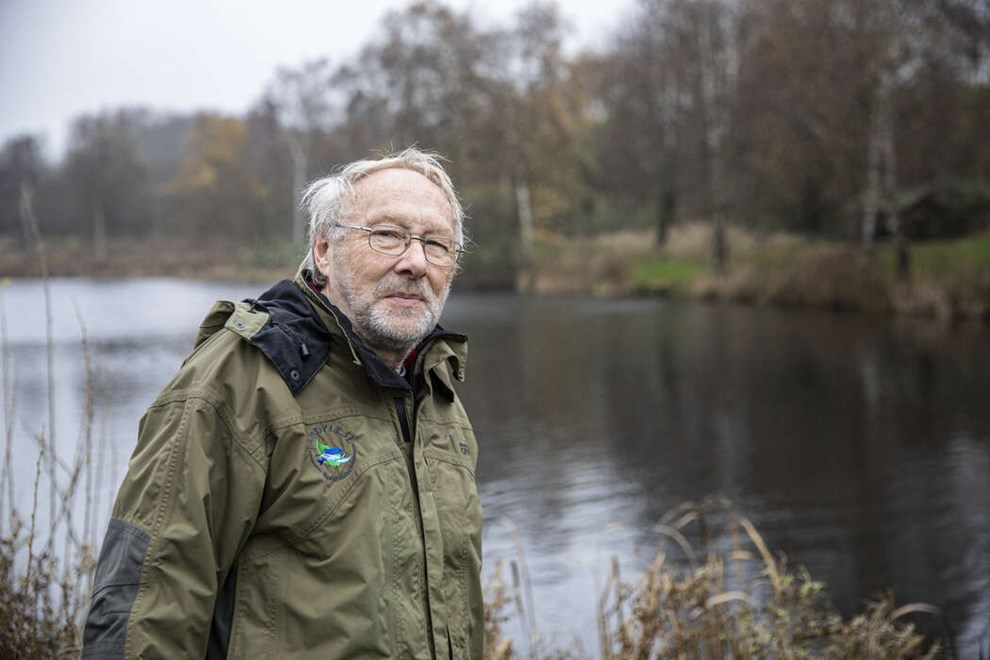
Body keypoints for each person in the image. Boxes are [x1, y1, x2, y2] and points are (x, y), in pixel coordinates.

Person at [82, 148, 483, 658]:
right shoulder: (238, 381)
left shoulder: (437, 394)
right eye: (387, 235)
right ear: (323, 250)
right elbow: (144, 608)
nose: (415, 262)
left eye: (436, 244)